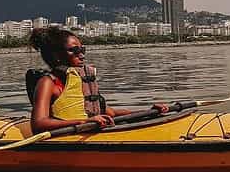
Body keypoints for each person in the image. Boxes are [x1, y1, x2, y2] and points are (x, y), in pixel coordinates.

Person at [26, 26, 168, 133]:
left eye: (82, 50)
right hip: (69, 135)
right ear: (57, 55)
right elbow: (39, 124)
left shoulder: (82, 80)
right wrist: (85, 121)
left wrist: (149, 112)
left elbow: (110, 113)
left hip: (92, 128)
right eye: (74, 50)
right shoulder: (48, 83)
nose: (81, 55)